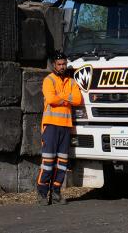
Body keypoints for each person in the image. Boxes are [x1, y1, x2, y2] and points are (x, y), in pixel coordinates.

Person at [36, 50, 83, 205]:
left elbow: (77, 100)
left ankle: (56, 193)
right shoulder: (48, 80)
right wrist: (66, 98)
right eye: (59, 64)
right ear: (54, 65)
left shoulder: (71, 82)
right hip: (50, 126)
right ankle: (42, 194)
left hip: (65, 127)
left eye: (64, 64)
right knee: (48, 162)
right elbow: (50, 98)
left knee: (61, 163)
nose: (62, 66)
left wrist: (60, 98)